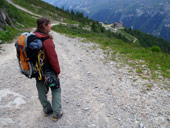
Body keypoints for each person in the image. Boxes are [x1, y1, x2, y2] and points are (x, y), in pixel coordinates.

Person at [34, 17, 63, 122]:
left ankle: (47, 109)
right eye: (49, 24)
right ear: (44, 26)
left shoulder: (33, 37)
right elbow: (53, 58)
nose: (51, 25)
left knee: (41, 90)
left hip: (37, 72)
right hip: (49, 71)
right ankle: (56, 113)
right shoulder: (46, 40)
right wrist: (57, 71)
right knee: (56, 89)